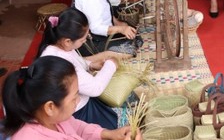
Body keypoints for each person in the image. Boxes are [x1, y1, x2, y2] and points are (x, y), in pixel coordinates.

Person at [1, 56, 140, 140]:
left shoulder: (54, 118)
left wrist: (108, 134)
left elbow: (77, 127)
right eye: (74, 97)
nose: (78, 100)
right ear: (50, 107)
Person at [37, 8, 119, 129]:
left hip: (80, 104)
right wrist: (111, 64)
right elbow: (95, 88)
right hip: (77, 113)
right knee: (109, 129)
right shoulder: (60, 62)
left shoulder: (59, 47)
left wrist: (90, 65)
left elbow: (77, 62)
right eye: (83, 39)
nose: (85, 40)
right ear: (68, 41)